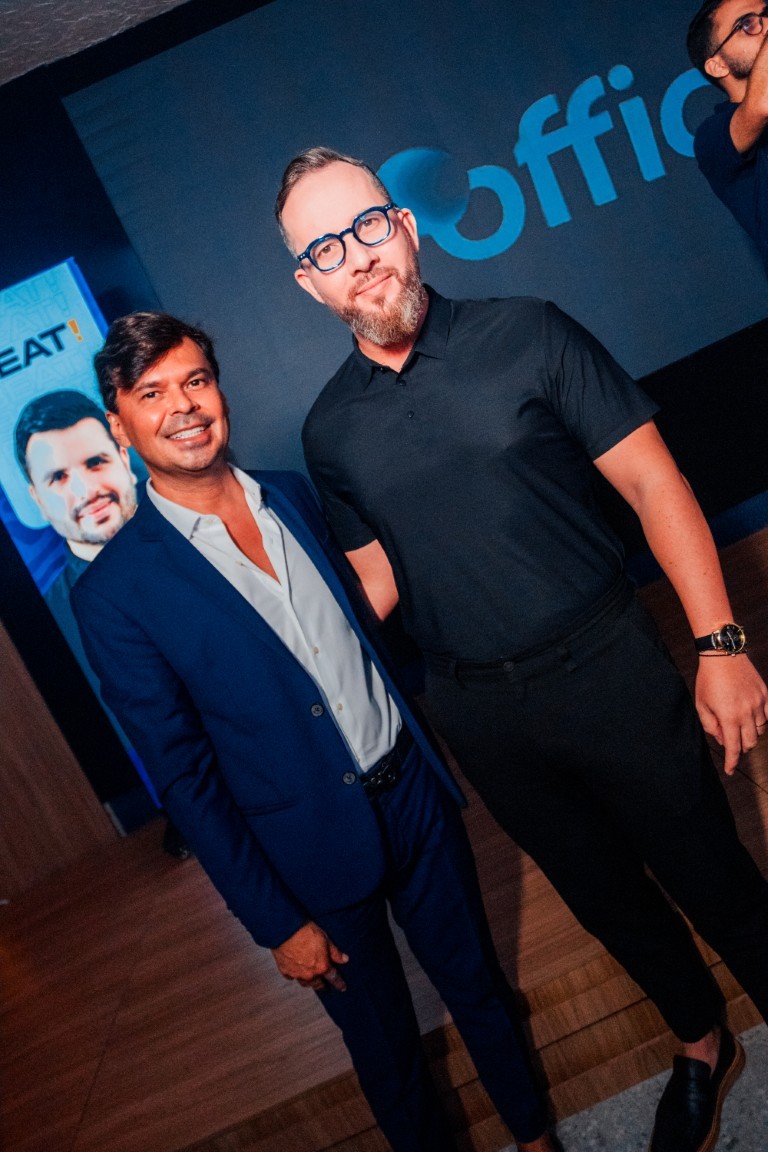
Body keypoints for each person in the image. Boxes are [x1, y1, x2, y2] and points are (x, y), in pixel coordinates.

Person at [276, 146, 768, 1152]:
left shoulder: (529, 332)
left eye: (366, 226)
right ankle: (701, 1038)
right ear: (309, 284)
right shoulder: (329, 432)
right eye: (325, 248)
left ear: (405, 227)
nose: (356, 257)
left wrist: (721, 644)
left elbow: (656, 484)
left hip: (607, 665)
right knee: (608, 905)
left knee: (714, 873)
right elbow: (375, 586)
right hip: (482, 716)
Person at [71, 310, 563, 1152]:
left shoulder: (290, 494)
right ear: (118, 424)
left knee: (480, 988)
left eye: (195, 381)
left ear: (219, 391)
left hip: (411, 796)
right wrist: (274, 921)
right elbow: (183, 781)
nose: (183, 406)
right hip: (306, 857)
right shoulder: (114, 594)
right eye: (151, 393)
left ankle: (536, 1137)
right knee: (387, 1052)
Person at [688, 0, 768, 272]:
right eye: (747, 24)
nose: (765, 25)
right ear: (718, 65)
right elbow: (761, 106)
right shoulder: (711, 138)